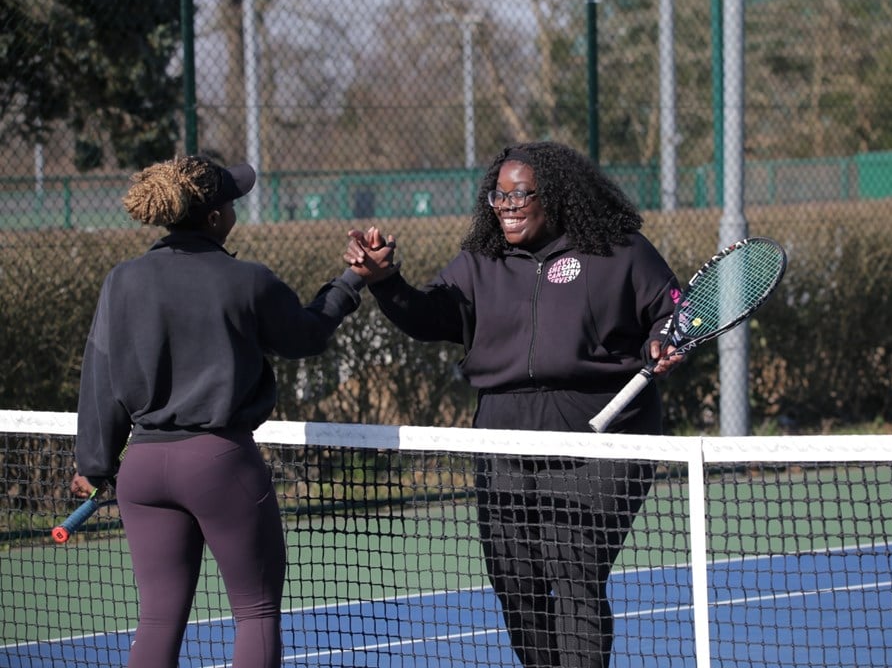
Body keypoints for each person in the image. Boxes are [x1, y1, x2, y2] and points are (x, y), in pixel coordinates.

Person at [344, 141, 683, 668]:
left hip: (602, 434)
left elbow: (672, 309)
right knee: (517, 584)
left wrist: (664, 340)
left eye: (519, 195)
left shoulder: (618, 250)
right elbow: (430, 316)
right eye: (497, 198)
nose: (506, 207)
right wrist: (386, 282)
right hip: (502, 435)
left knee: (574, 571)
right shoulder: (481, 261)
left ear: (556, 195)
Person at [69, 155, 368, 668]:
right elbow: (306, 334)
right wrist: (352, 280)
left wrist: (93, 465)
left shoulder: (122, 280)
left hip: (142, 470)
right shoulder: (246, 279)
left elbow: (99, 380)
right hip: (218, 465)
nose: (235, 208)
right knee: (255, 613)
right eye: (230, 201)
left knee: (158, 618)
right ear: (212, 218)